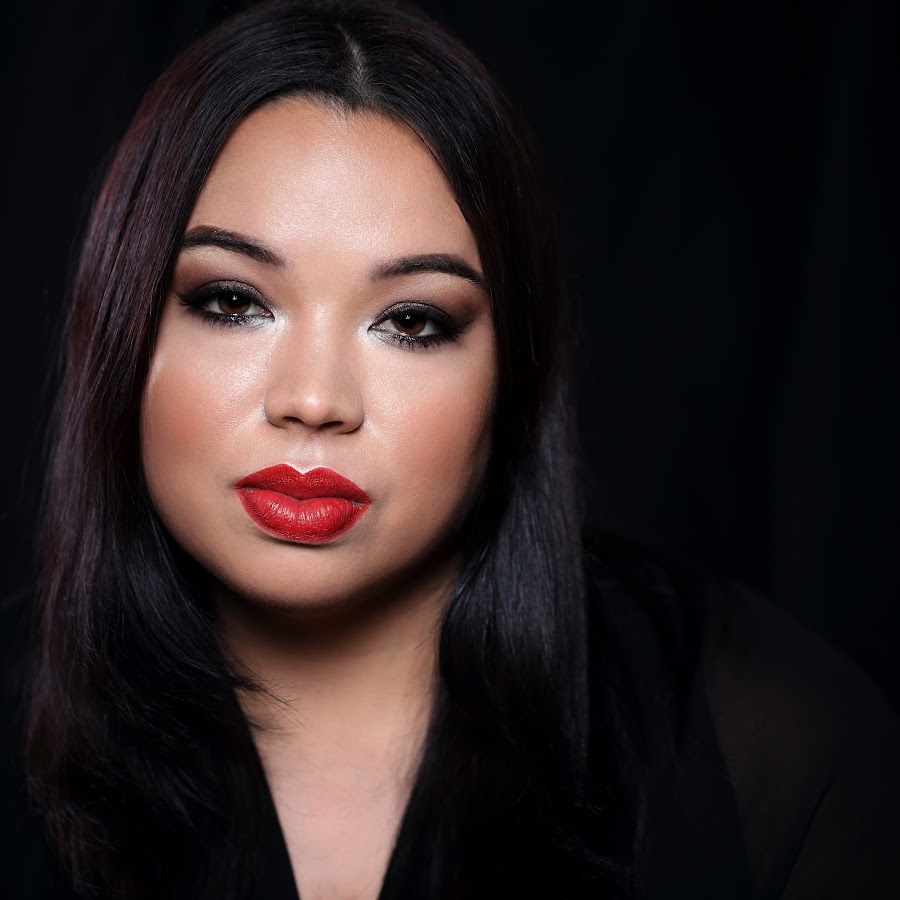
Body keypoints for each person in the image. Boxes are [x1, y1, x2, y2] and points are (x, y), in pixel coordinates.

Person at [1, 0, 899, 898]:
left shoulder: (771, 747)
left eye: (411, 321)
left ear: (514, 370)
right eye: (234, 302)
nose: (313, 400)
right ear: (119, 328)